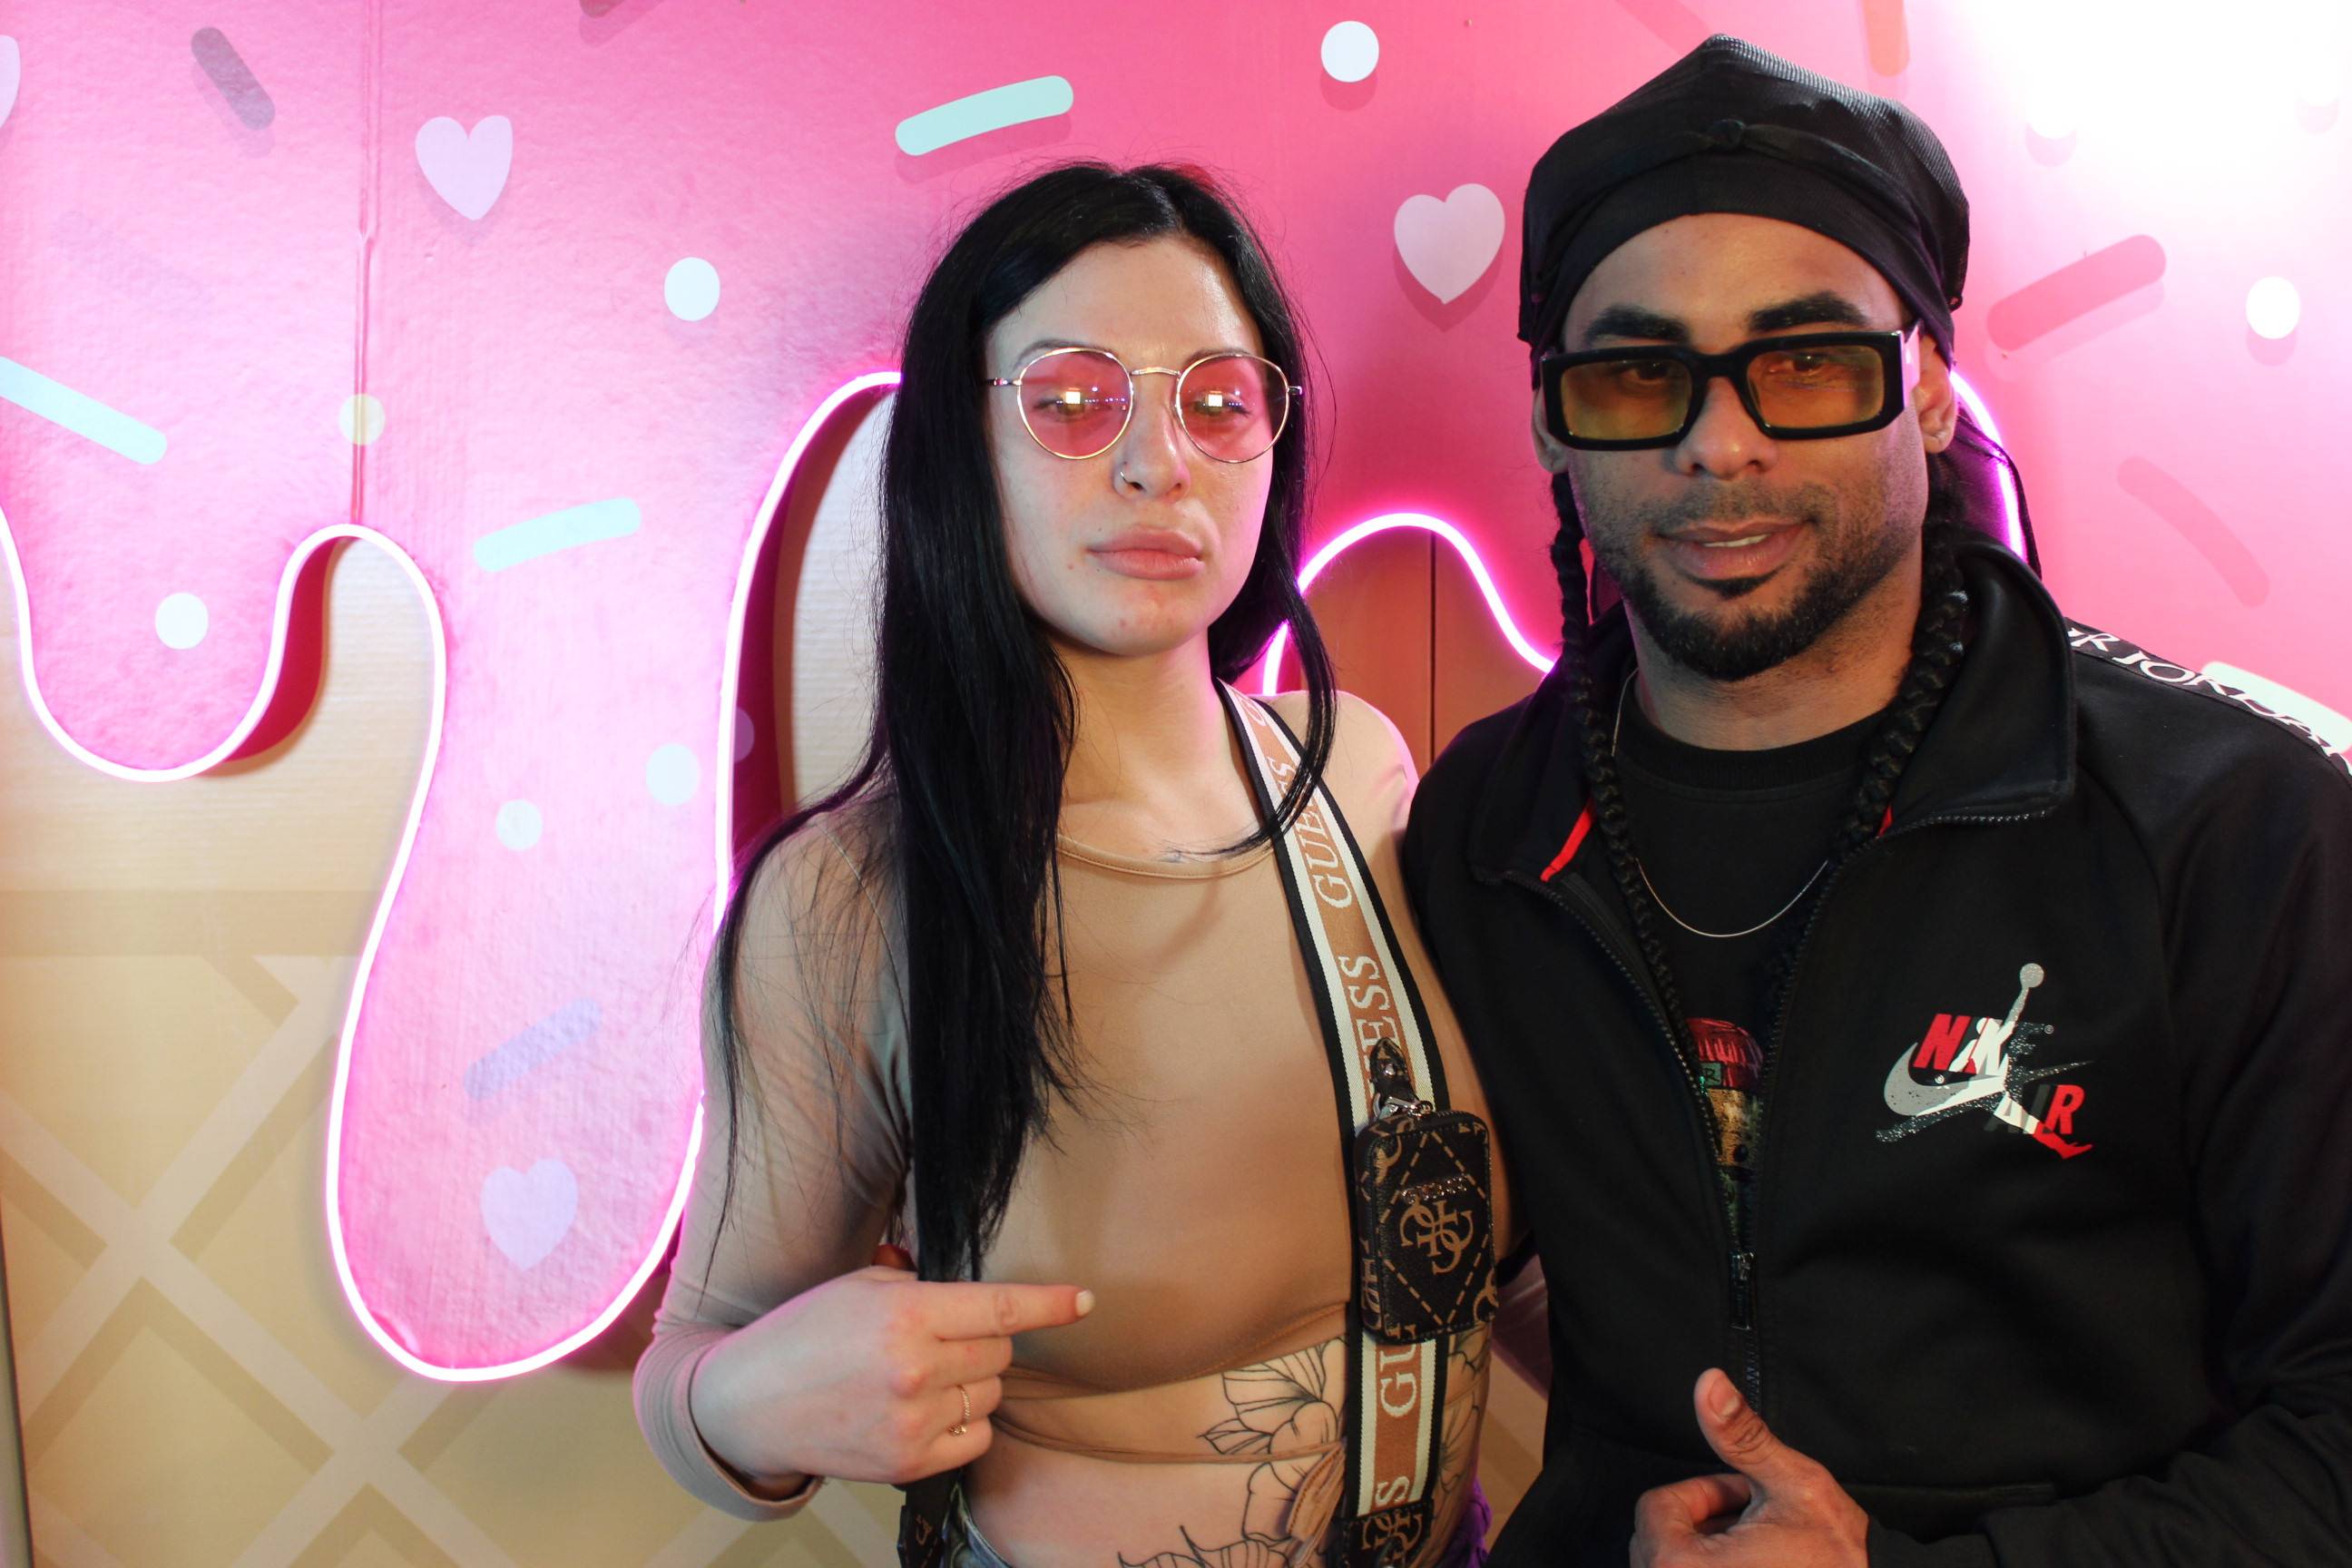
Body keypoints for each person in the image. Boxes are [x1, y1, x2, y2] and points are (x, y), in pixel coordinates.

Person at [1401, 34, 2352, 1568]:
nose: (1721, 443)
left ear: (1929, 393)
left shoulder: (2236, 830)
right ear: (1552, 422)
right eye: (1638, 375)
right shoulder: (1482, 833)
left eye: (1807, 364)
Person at [634, 162, 1517, 1568]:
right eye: (1069, 399)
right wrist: (741, 1401)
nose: (1158, 462)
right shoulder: (852, 899)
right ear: (962, 446)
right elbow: (701, 1365)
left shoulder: (1364, 776)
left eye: (1217, 402)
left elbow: (1496, 1267)